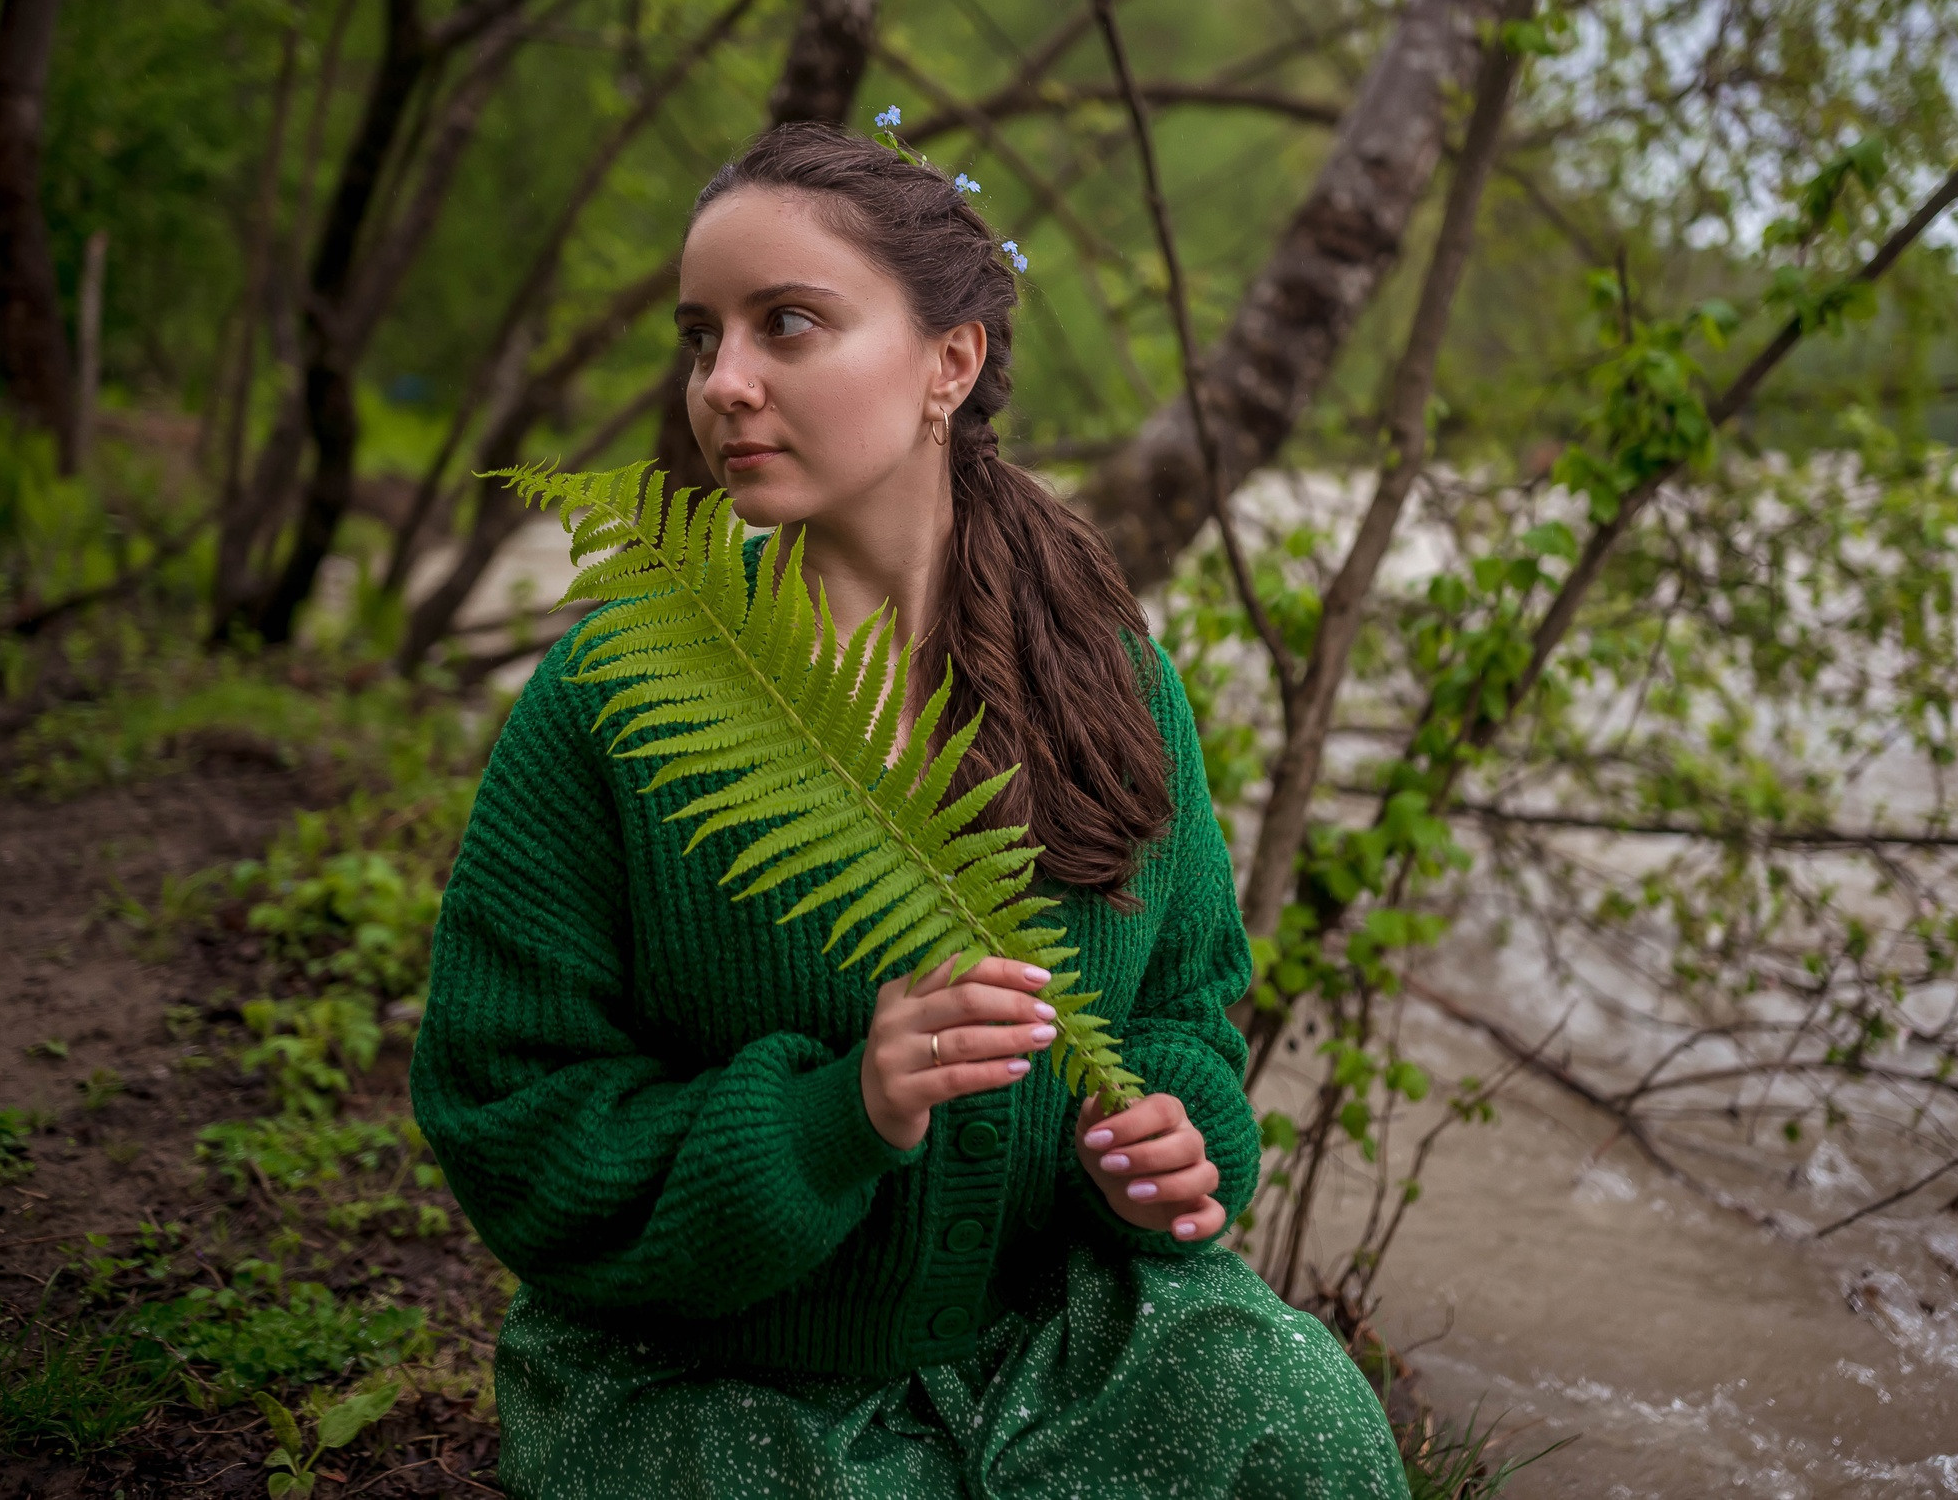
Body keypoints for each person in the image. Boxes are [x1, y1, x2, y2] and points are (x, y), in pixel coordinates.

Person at [410, 122, 1409, 1498]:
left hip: (1046, 1347)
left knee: (1306, 1424)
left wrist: (1171, 1148)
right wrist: (838, 1114)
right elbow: (507, 1107)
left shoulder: (1107, 675)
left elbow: (1187, 1012)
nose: (725, 383)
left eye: (790, 323)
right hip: (717, 1368)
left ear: (952, 360)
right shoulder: (619, 700)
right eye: (704, 336)